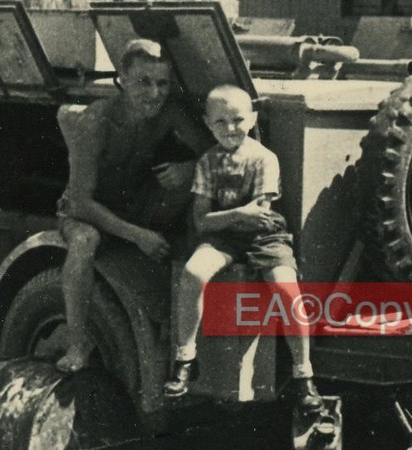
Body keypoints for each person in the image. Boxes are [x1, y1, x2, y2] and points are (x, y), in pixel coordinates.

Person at [164, 85, 323, 414]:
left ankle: (303, 376)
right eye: (220, 122)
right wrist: (235, 214)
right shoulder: (207, 162)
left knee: (287, 289)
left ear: (251, 119)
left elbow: (258, 215)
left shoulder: (264, 159)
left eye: (237, 119)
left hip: (265, 236)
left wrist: (225, 217)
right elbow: (201, 220)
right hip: (226, 236)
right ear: (208, 124)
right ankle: (185, 358)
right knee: (193, 272)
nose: (230, 129)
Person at [55, 38, 210, 372]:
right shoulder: (96, 121)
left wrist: (190, 166)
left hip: (134, 203)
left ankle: (186, 307)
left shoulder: (167, 111)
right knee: (84, 243)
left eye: (162, 83)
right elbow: (81, 201)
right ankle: (78, 345)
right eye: (143, 82)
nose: (154, 93)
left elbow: (212, 152)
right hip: (89, 214)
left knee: (196, 183)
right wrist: (137, 235)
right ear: (122, 80)